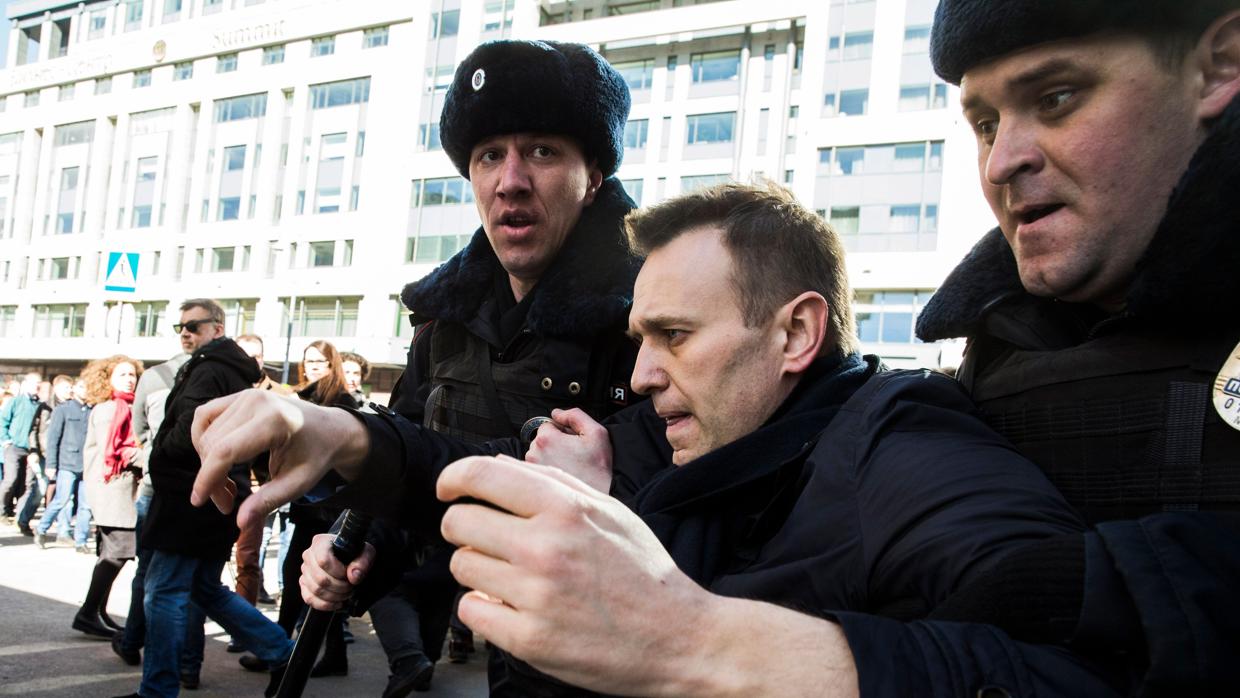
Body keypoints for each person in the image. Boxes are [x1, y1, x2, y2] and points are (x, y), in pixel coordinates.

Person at [190, 182, 1116, 696]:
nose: (639, 373)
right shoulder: (665, 439)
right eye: (640, 338)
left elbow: (1084, 665)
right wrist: (339, 435)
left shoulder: (907, 447)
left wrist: (704, 642)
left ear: (797, 333)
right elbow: (473, 473)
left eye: (675, 335)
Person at [908, 0, 1240, 692]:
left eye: (1055, 98)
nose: (1002, 162)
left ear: (1220, 67)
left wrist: (1094, 588)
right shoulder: (970, 369)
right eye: (985, 125)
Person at [116, 299, 293, 698]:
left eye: (193, 325)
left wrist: (160, 458)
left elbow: (194, 430)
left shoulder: (211, 368)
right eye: (180, 326)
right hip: (208, 493)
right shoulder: (223, 368)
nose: (185, 332)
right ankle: (284, 653)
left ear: (217, 328)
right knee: (204, 589)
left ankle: (157, 691)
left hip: (191, 495)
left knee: (164, 592)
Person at [113, 346, 193, 669]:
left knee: (150, 573)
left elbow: (140, 430)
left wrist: (150, 454)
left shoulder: (155, 378)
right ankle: (186, 662)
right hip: (187, 488)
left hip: (158, 484)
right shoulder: (216, 379)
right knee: (187, 580)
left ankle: (133, 642)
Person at [73, 355, 144, 640]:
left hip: (118, 492)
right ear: (107, 379)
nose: (129, 379)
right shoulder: (109, 409)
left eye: (132, 374)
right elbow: (117, 451)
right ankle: (88, 612)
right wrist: (149, 457)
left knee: (111, 553)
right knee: (118, 553)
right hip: (112, 492)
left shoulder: (125, 407)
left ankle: (96, 613)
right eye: (122, 374)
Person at [35, 377, 91, 549]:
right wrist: (51, 464)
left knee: (85, 505)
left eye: (87, 387)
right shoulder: (63, 410)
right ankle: (41, 529)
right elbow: (53, 438)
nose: (85, 390)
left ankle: (81, 541)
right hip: (67, 463)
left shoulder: (92, 410)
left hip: (87, 464)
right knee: (61, 499)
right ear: (74, 389)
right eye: (81, 387)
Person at [0, 371, 44, 530]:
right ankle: (2, 511)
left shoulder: (40, 405)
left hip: (32, 450)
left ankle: (21, 517)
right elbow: (2, 420)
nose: (36, 386)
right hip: (14, 447)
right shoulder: (15, 401)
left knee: (29, 484)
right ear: (26, 384)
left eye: (39, 384)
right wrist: (6, 440)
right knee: (10, 479)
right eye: (34, 383)